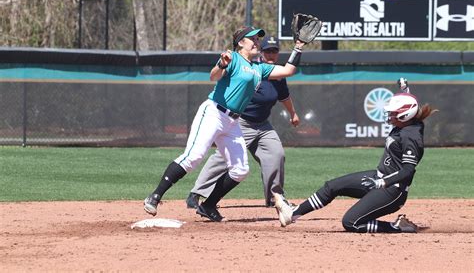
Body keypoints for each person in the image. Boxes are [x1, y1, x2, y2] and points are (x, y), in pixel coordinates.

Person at [144, 26, 306, 222]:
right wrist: (221, 64)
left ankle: (209, 205)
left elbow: (289, 70)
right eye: (252, 38)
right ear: (240, 42)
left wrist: (298, 47)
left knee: (240, 170)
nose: (257, 42)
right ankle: (155, 196)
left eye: (258, 39)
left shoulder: (259, 68)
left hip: (233, 121)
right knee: (193, 157)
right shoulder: (233, 58)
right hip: (214, 112)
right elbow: (213, 76)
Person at [274, 79, 437, 233]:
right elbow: (410, 109)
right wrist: (404, 91)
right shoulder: (408, 122)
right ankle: (292, 214)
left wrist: (383, 182)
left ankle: (398, 227)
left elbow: (408, 171)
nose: (390, 116)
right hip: (378, 177)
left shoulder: (411, 137)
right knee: (332, 186)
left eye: (394, 113)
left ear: (405, 116)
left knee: (351, 222)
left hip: (393, 191)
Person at [185, 36, 300, 209]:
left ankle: (275, 198)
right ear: (261, 52)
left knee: (276, 154)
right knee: (223, 159)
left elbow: (285, 96)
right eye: (268, 50)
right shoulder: (256, 70)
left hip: (263, 125)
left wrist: (293, 113)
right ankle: (197, 193)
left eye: (274, 51)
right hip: (241, 122)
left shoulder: (277, 75)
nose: (271, 54)